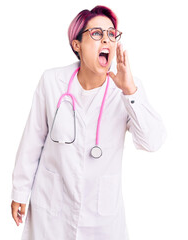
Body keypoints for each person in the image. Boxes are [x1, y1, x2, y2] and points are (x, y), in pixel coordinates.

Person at [11, 5, 167, 240]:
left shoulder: (126, 89)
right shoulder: (52, 82)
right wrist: (19, 191)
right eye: (97, 34)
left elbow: (153, 142)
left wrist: (130, 92)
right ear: (77, 44)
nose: (106, 39)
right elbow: (33, 140)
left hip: (102, 218)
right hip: (51, 211)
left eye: (112, 34)